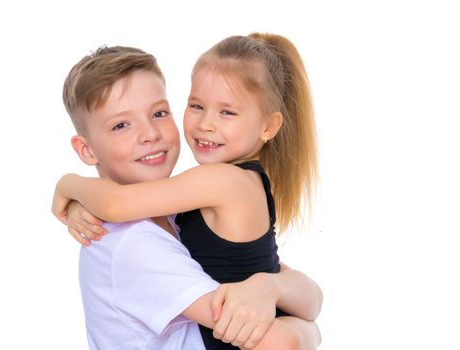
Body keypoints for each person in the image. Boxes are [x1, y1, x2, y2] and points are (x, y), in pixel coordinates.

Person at [56, 44, 321, 349]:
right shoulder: (135, 244)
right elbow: (267, 329)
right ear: (86, 150)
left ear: (269, 125)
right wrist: (305, 328)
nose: (149, 134)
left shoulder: (184, 206)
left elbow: (296, 292)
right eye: (121, 125)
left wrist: (70, 187)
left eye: (159, 113)